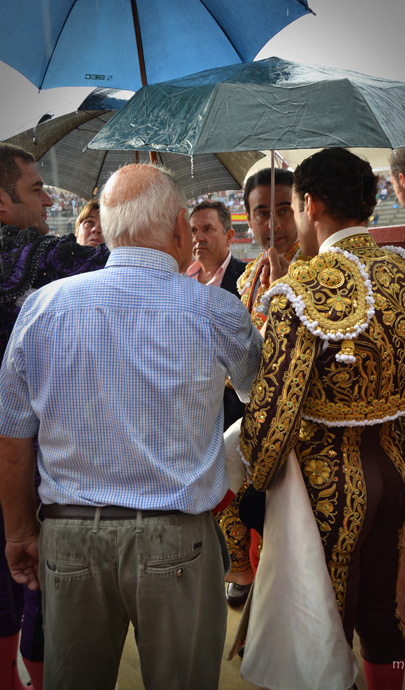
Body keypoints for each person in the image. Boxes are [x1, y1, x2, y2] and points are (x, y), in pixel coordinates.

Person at [0, 162, 262, 690]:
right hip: (175, 539)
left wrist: (21, 531)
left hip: (69, 534)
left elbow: (13, 438)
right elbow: (265, 396)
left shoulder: (43, 307)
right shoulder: (216, 310)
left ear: (113, 230)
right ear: (177, 231)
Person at [238, 148, 405, 689]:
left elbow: (273, 419)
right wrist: (395, 457)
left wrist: (256, 484)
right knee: (383, 618)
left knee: (324, 629)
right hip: (391, 471)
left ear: (310, 203)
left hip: (324, 488)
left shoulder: (304, 290)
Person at [0, 142, 109, 690]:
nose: (48, 200)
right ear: (1, 201)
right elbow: (119, 266)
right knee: (40, 584)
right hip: (31, 456)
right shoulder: (32, 255)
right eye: (35, 188)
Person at [220, 167, 311, 607]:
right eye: (262, 212)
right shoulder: (248, 277)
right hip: (258, 409)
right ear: (249, 218)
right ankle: (241, 567)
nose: (273, 223)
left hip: (309, 419)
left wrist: (286, 297)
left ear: (302, 210)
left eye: (283, 210)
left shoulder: (315, 270)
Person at [188, 200, 247, 430]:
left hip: (230, 414)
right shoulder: (179, 281)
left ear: (229, 236)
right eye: (193, 230)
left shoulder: (247, 281)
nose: (198, 237)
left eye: (207, 229)